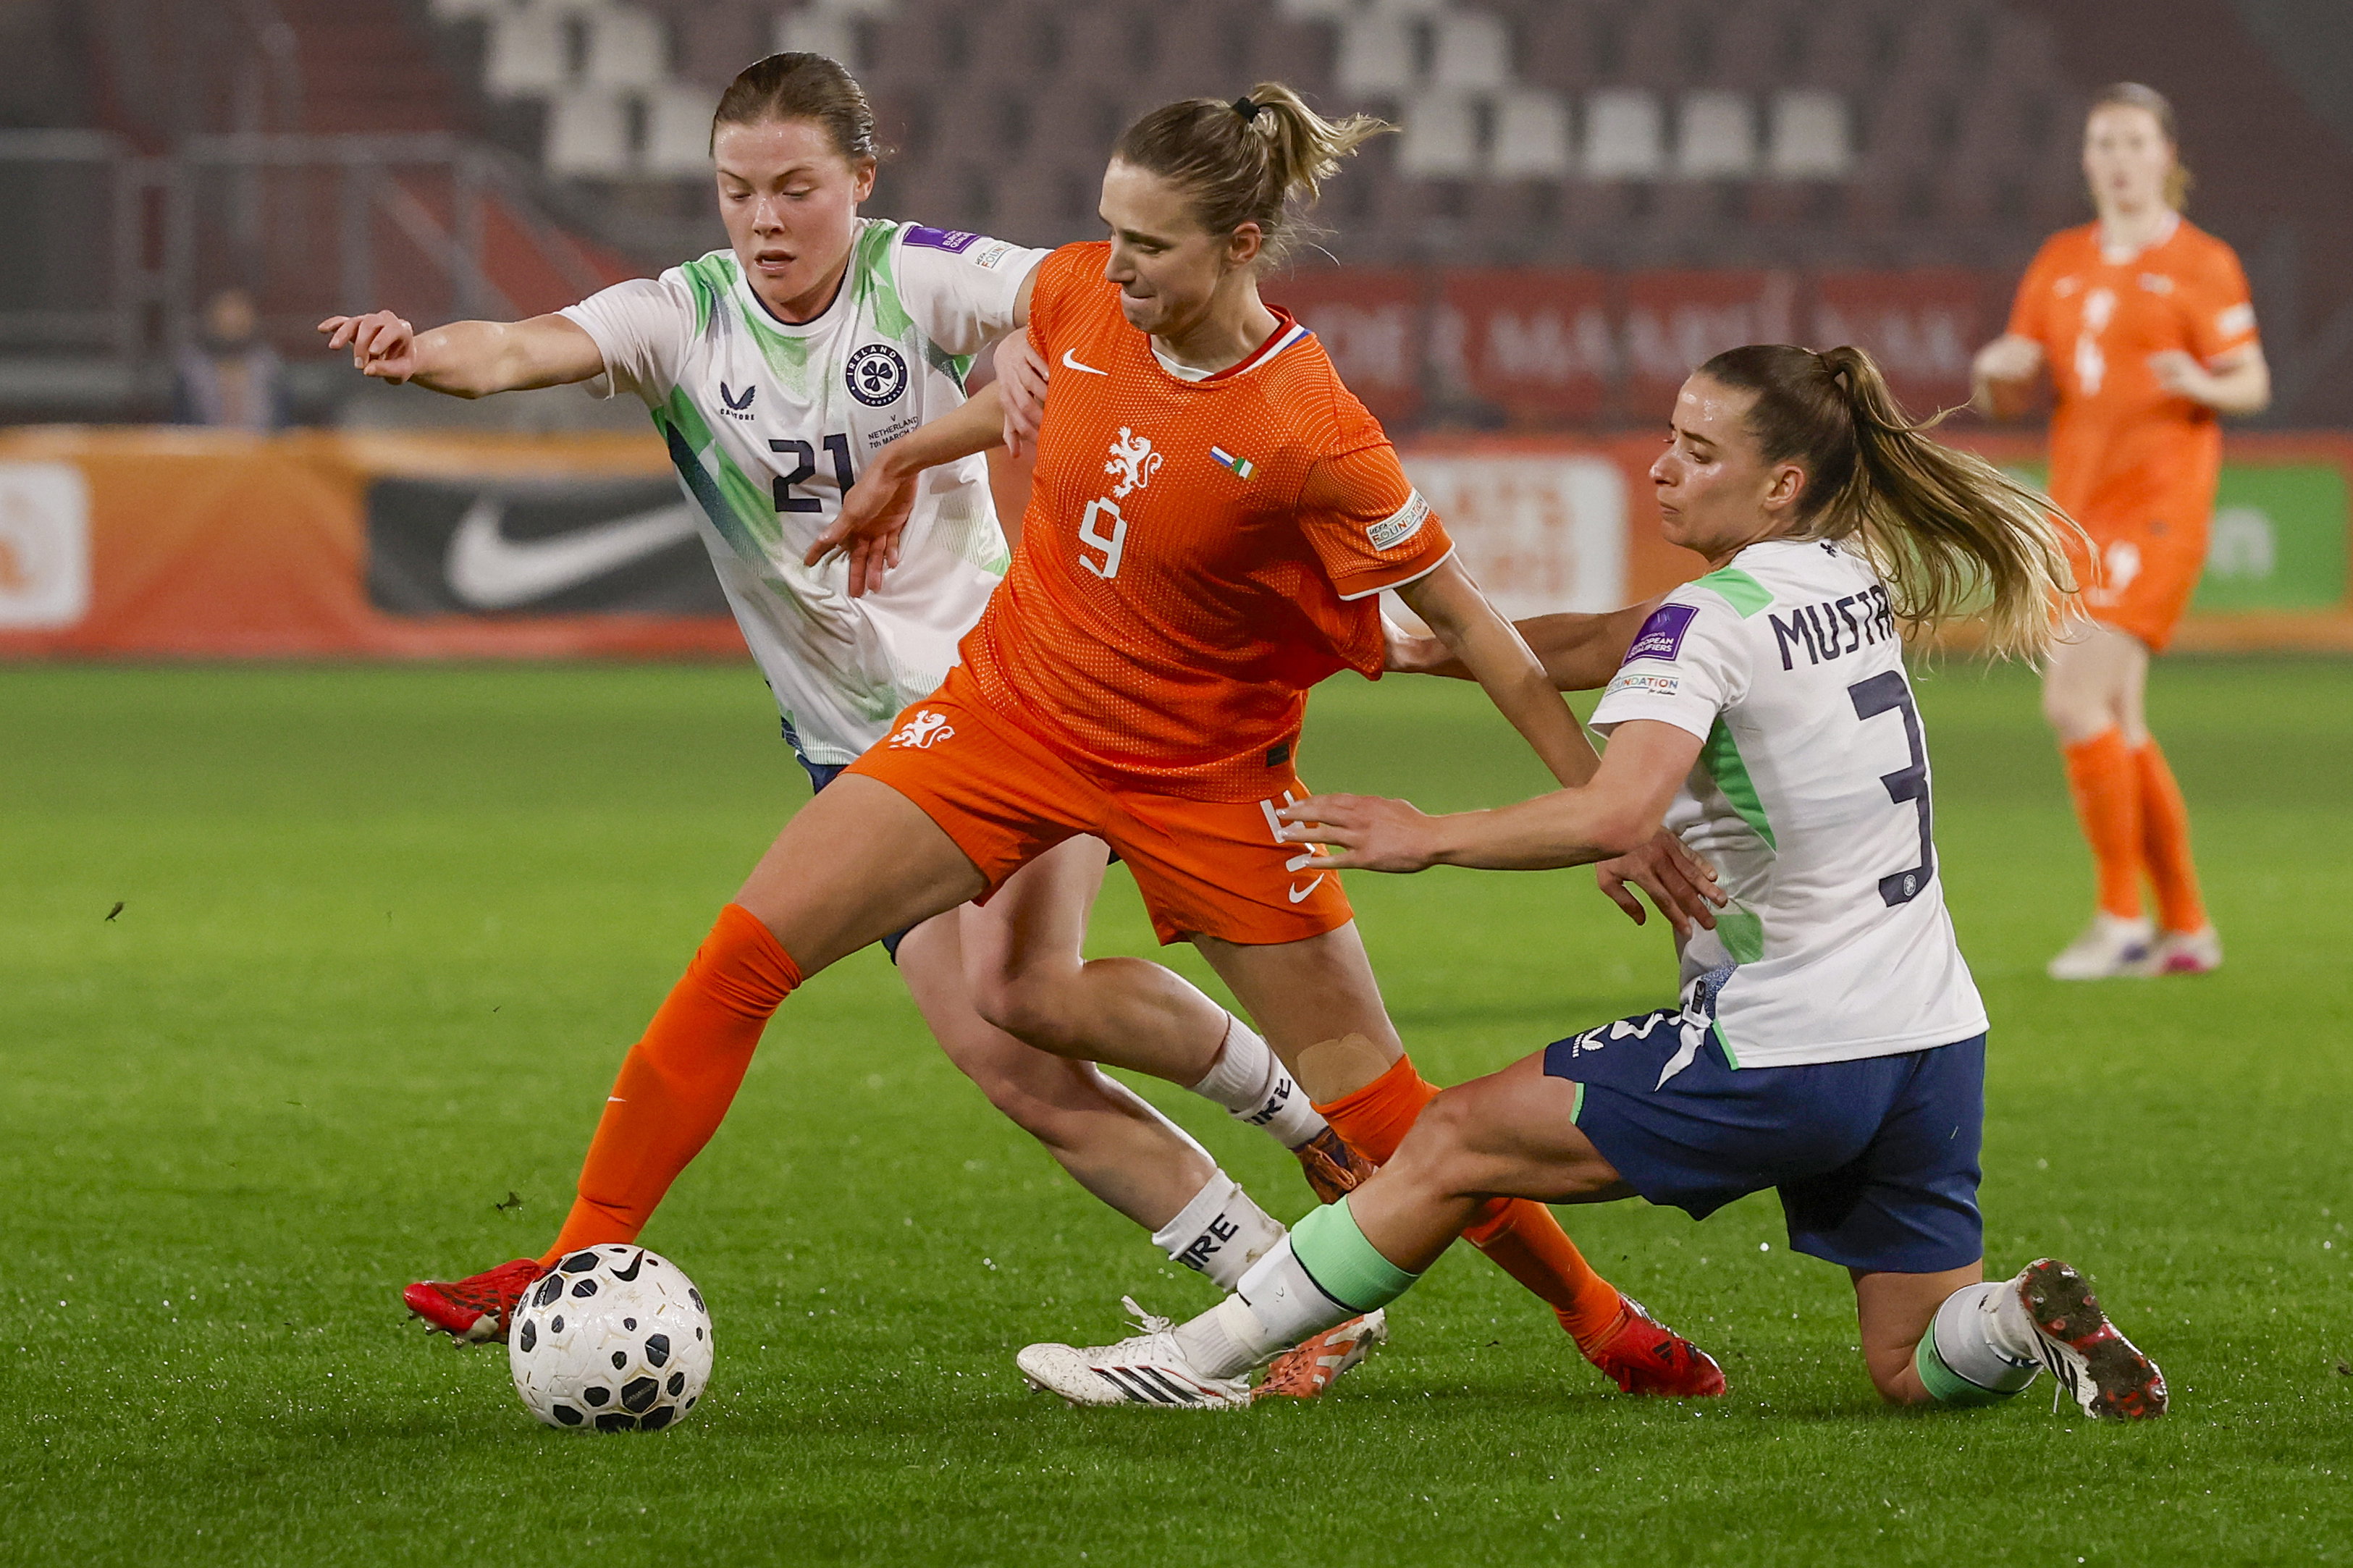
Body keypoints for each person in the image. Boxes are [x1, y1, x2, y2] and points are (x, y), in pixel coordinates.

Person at [391, 79, 1733, 1404]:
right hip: (1009, 713)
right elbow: (1040, 385)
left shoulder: (1315, 433)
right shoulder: (1089, 291)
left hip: (1204, 772)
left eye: (1148, 243)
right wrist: (908, 460)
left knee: (1387, 1114)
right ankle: (574, 1257)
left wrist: (1612, 803)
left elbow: (1474, 627)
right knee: (751, 956)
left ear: (1239, 247)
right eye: (1110, 230)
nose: (1112, 262)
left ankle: (1600, 1319)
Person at [323, 54, 1394, 1399]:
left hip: (1019, 701)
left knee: (1021, 998)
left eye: (796, 189)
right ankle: (1292, 1271)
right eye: (736, 191)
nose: (765, 219)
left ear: (859, 184)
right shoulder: (681, 316)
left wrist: (1016, 350)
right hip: (855, 747)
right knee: (1019, 1049)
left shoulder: (915, 274)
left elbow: (1072, 298)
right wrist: (426, 356)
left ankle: (1306, 1167)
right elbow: (527, 345)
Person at [1019, 345, 2168, 1424]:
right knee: (1909, 1363)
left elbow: (1616, 809)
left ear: (1779, 485)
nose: (1664, 467)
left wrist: (1427, 835)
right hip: (1926, 1037)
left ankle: (1192, 1362)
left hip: (1790, 1043)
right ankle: (2018, 1319)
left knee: (1454, 1138)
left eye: (1699, 452)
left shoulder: (1713, 617)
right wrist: (1436, 646)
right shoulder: (1840, 575)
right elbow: (1617, 636)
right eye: (1669, 437)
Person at [1972, 82, 2268, 982]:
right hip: (2081, 514)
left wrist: (2204, 382)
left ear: (2166, 157)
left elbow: (2249, 381)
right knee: (2119, 721)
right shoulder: (2060, 260)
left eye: (2136, 142)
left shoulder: (2202, 263)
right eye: (2104, 142)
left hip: (2161, 508)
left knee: (2070, 701)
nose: (2120, 158)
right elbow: (2009, 392)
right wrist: (1995, 372)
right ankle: (2186, 928)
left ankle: (2118, 919)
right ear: (2086, 159)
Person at [176, 287, 289, 431]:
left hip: (264, 449)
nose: (232, 321)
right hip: (205, 450)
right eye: (225, 314)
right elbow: (180, 428)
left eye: (239, 314)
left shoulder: (270, 368)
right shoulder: (191, 371)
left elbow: (284, 426)